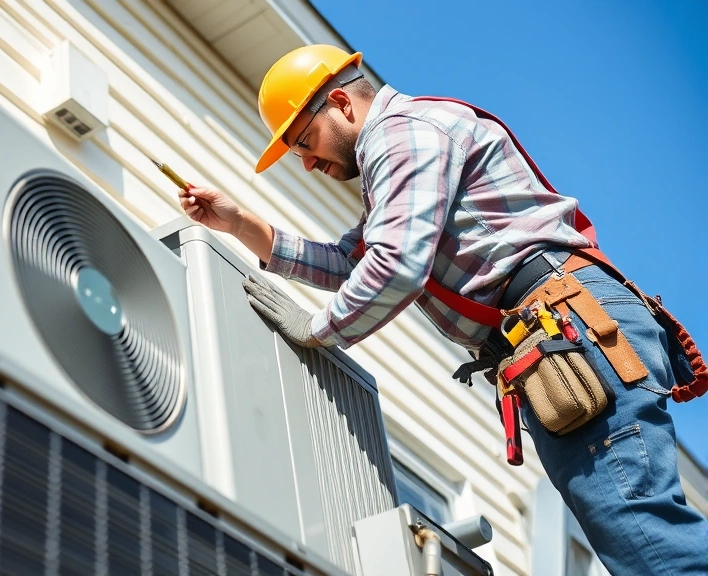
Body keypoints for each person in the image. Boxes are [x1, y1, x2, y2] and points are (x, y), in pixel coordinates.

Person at [177, 44, 708, 574]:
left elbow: (397, 264)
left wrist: (319, 330)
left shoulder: (400, 134)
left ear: (340, 103)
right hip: (561, 332)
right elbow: (353, 260)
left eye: (305, 142)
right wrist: (239, 224)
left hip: (567, 329)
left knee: (643, 537)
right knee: (634, 537)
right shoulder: (408, 142)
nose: (309, 163)